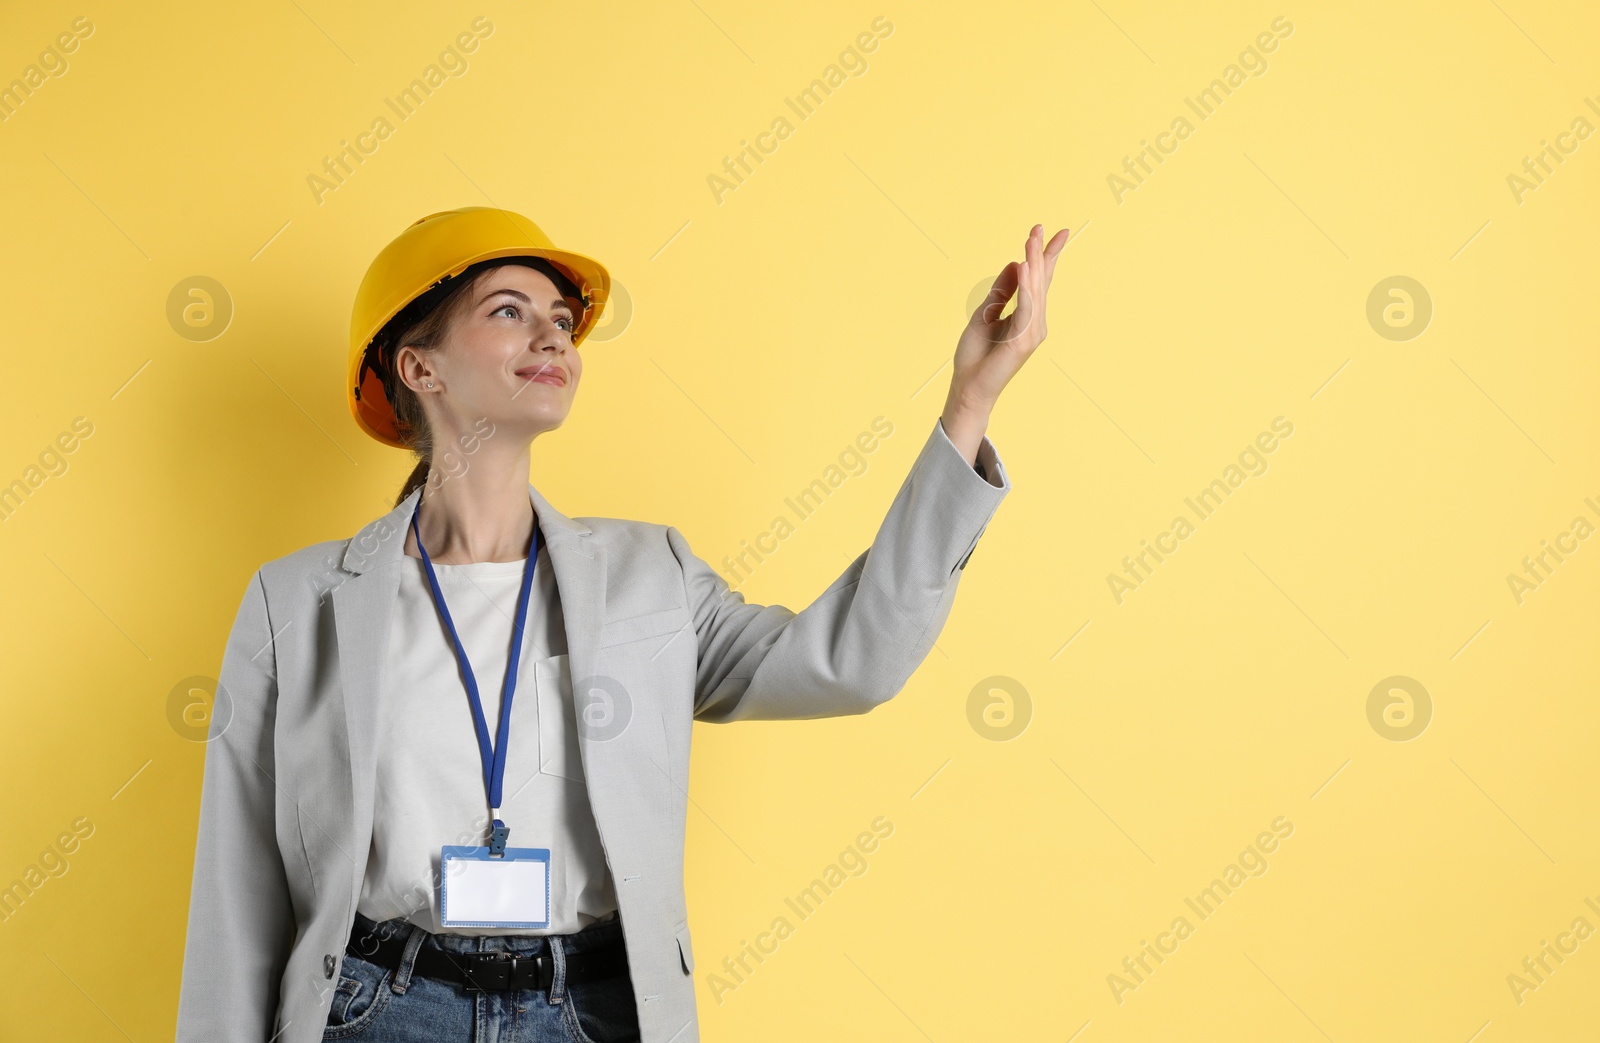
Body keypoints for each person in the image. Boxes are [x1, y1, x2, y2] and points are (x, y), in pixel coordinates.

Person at [174, 207, 1069, 1043]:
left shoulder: (654, 579)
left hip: (593, 1010)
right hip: (379, 1008)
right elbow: (236, 893)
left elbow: (852, 661)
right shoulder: (295, 602)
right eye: (510, 310)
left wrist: (968, 407)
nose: (552, 333)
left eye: (561, 318)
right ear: (420, 367)